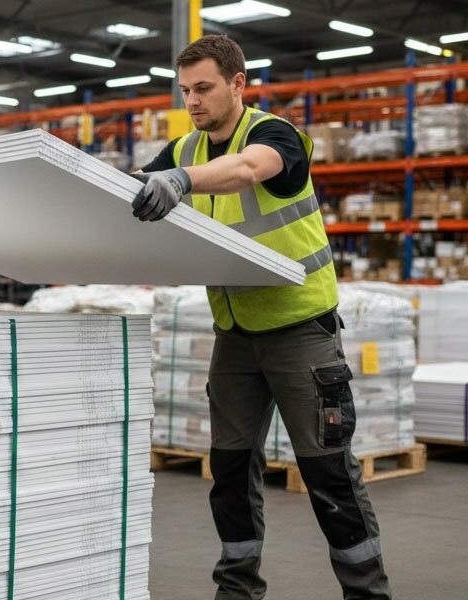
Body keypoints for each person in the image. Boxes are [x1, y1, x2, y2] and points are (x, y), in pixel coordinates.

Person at [132, 35, 391, 600]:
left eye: (203, 88)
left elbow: (251, 169)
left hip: (301, 332)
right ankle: (238, 589)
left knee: (327, 473)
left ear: (238, 84)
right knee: (228, 470)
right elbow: (131, 191)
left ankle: (368, 593)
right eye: (184, 92)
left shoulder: (275, 136)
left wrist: (181, 182)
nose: (193, 101)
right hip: (236, 336)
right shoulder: (182, 152)